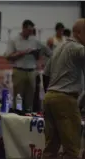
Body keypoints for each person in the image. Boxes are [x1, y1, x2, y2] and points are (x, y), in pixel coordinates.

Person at [42, 18, 85, 159]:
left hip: (49, 98)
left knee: (50, 148)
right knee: (71, 149)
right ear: (79, 33)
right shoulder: (78, 48)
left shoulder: (59, 47)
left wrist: (50, 92)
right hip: (65, 100)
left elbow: (45, 74)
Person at [5, 19, 51, 113]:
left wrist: (39, 54)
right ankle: (17, 113)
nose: (30, 32)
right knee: (18, 96)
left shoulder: (34, 40)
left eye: (32, 30)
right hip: (19, 71)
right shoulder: (14, 40)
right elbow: (8, 56)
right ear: (23, 28)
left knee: (30, 97)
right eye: (29, 30)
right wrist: (23, 53)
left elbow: (48, 51)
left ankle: (28, 114)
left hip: (31, 72)